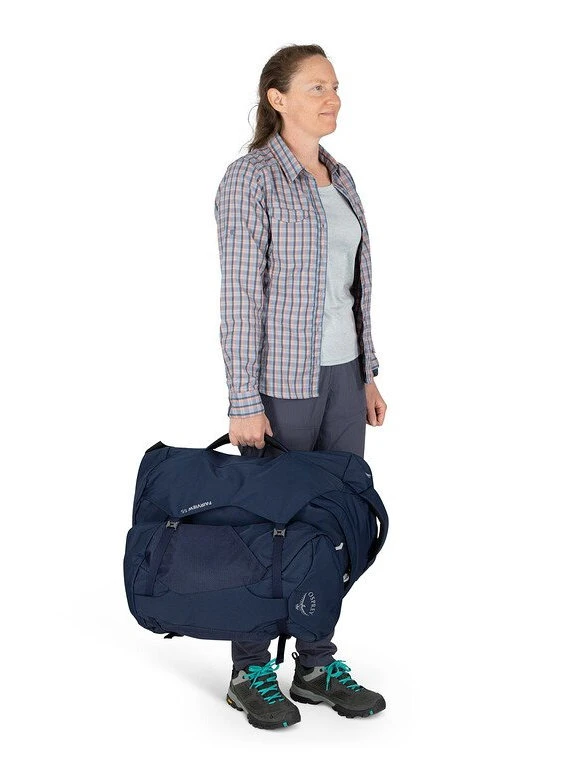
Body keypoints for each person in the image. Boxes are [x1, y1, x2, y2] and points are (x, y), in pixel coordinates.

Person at [214, 44, 387, 730]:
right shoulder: (250, 178)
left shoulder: (340, 177)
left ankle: (315, 665)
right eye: (317, 87)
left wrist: (366, 374)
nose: (332, 98)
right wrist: (242, 400)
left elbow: (353, 289)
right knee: (268, 527)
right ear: (277, 98)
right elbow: (239, 298)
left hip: (344, 380)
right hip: (280, 385)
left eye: (335, 86)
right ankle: (248, 670)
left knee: (332, 527)